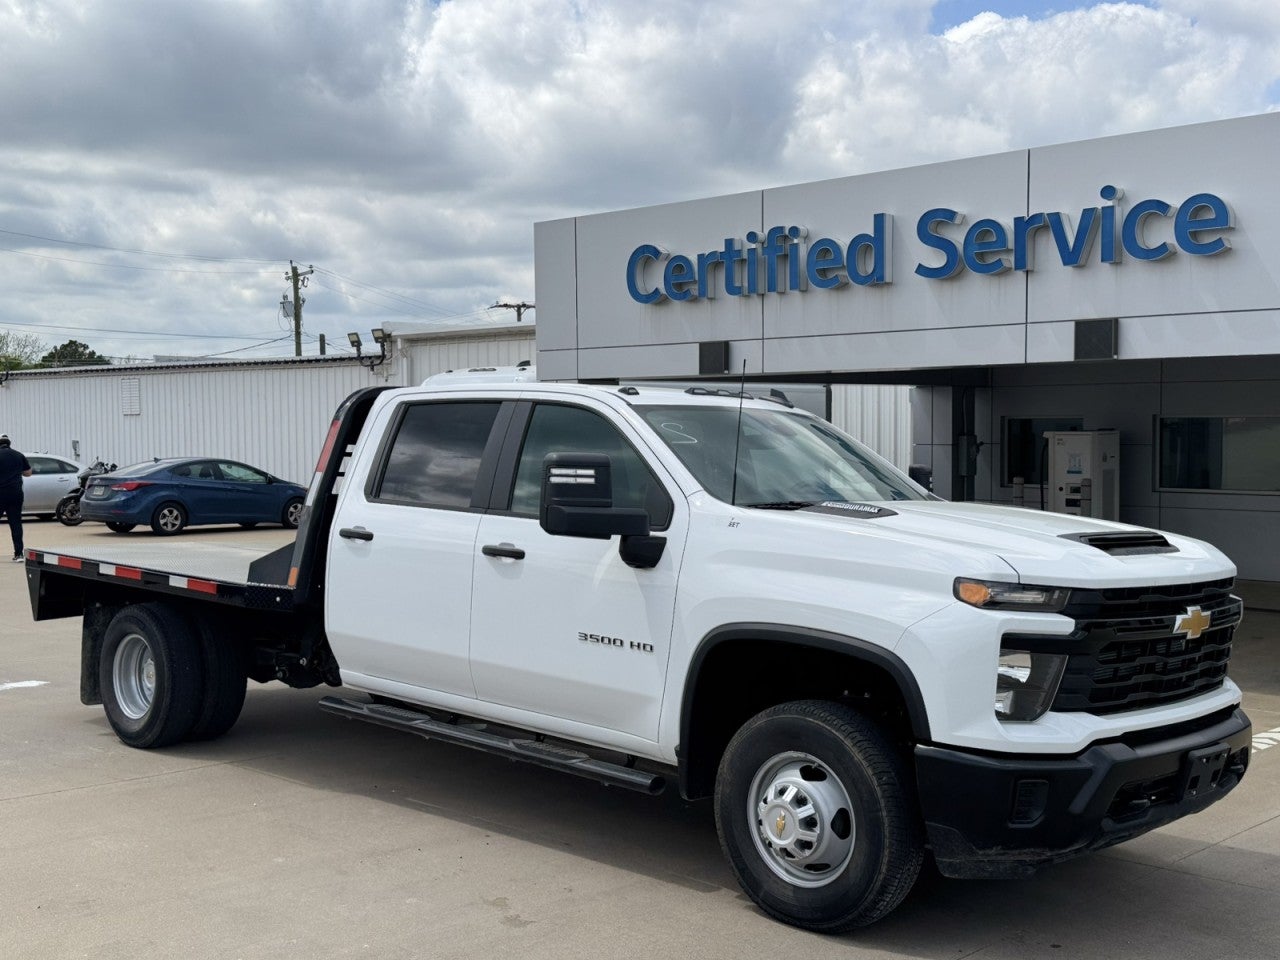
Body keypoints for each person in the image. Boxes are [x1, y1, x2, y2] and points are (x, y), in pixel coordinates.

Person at [0, 434, 33, 562]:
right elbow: (28, 473)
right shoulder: (18, 455)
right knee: (15, 523)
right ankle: (19, 554)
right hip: (16, 493)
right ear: (9, 443)